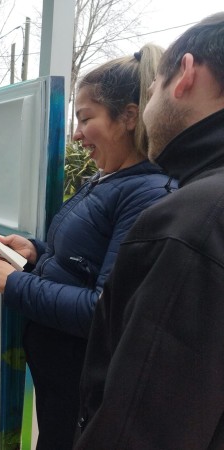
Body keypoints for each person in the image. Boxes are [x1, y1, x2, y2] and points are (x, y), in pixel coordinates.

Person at [0, 44, 176, 450]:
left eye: (86, 118)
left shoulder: (146, 192)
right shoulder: (108, 178)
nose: (77, 133)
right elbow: (81, 262)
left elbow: (102, 309)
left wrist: (14, 283)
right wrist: (34, 252)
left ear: (129, 117)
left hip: (80, 376)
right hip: (58, 373)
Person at [74, 13, 224, 449]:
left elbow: (143, 423)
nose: (79, 134)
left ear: (186, 76)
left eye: (154, 86)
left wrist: (17, 282)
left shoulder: (191, 223)